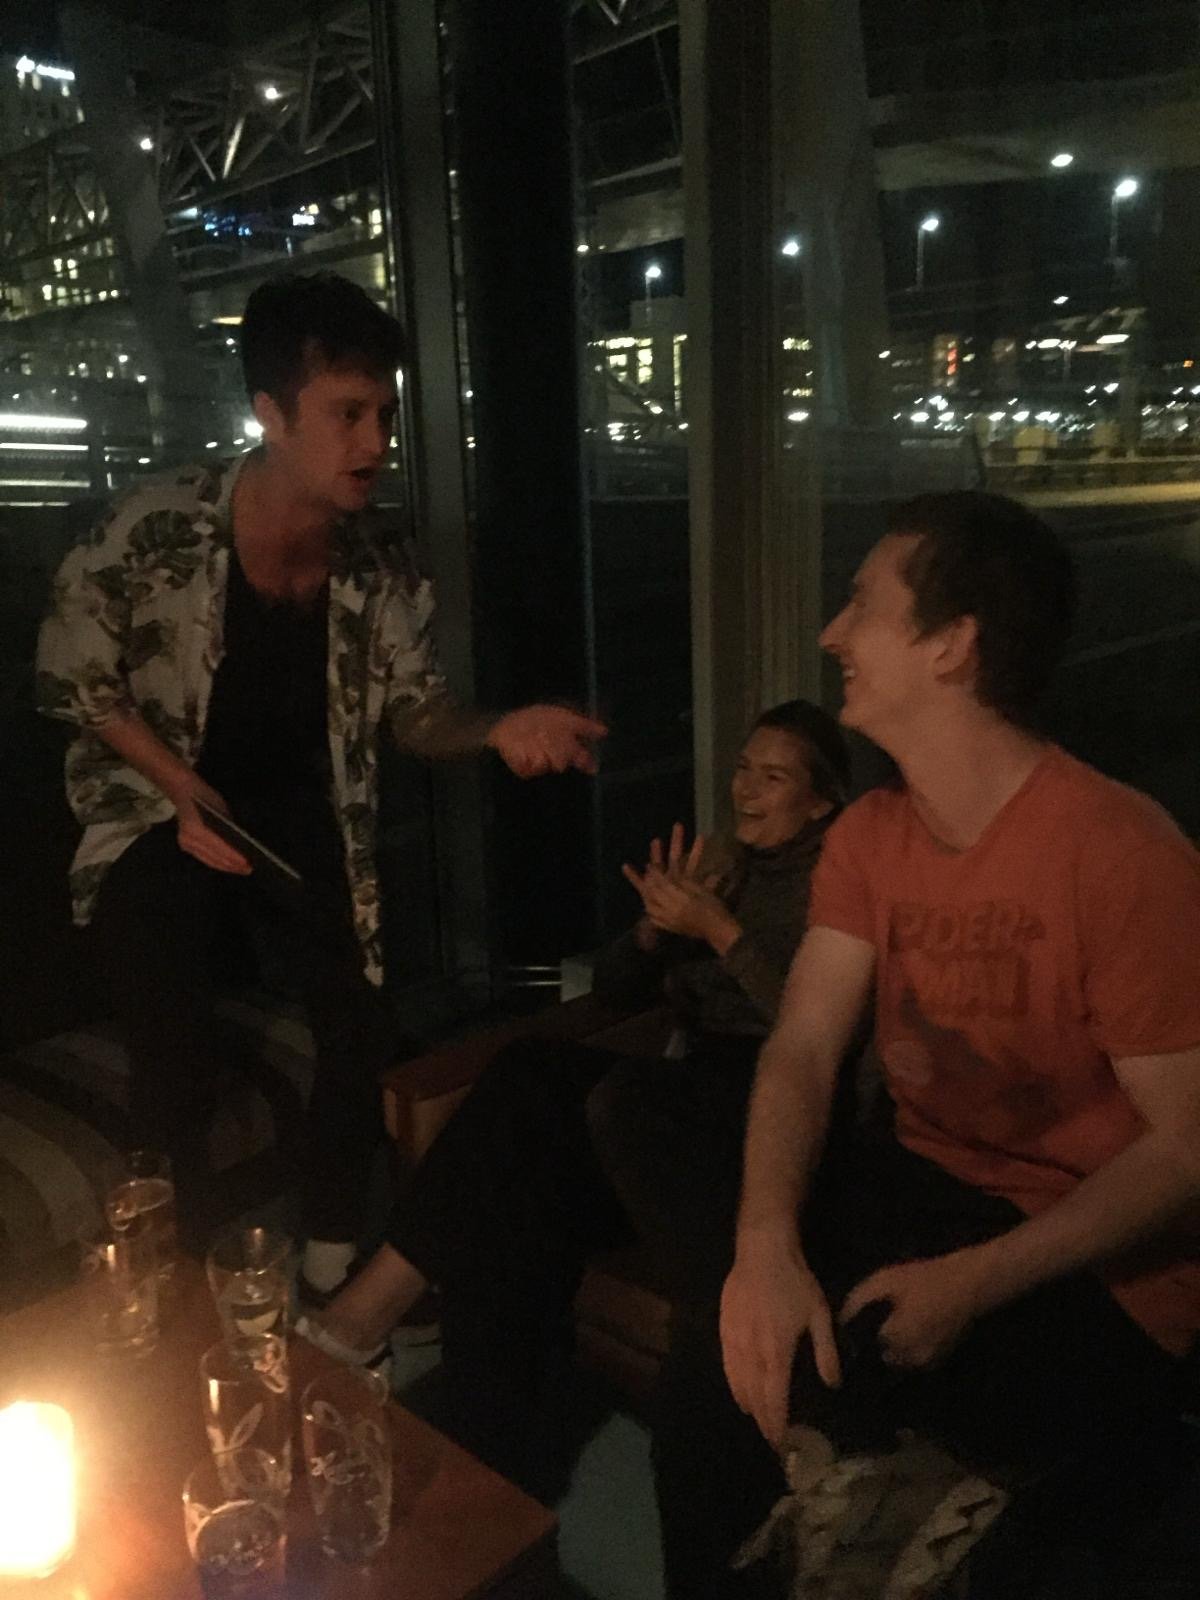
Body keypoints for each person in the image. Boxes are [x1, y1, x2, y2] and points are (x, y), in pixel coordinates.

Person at [647, 491, 1200, 1599]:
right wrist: (765, 1244)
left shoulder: (1121, 850)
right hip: (926, 1185)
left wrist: (972, 1285)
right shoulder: (871, 832)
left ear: (952, 645)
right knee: (711, 1362)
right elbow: (803, 1046)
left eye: (861, 604)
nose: (830, 634)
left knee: (817, 1408)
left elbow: (1187, 1151)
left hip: (1092, 1261)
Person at [35, 271, 605, 1280]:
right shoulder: (157, 524)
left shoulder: (381, 558)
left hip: (301, 809)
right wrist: (181, 790)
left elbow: (415, 711)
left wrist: (497, 729)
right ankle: (178, 1271)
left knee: (361, 1019)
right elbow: (70, 675)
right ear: (271, 413)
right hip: (158, 802)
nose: (375, 441)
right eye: (348, 414)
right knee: (170, 1040)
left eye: (384, 413)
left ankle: (331, 1270)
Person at [298, 699, 850, 1497]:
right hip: (675, 1093)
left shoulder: (838, 886)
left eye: (774, 777)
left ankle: (365, 1315)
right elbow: (617, 991)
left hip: (764, 1111)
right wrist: (654, 932)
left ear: (820, 802)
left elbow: (815, 1031)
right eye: (742, 769)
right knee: (518, 1201)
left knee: (536, 1074)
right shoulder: (722, 865)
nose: (746, 790)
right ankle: (488, 1464)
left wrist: (721, 933)